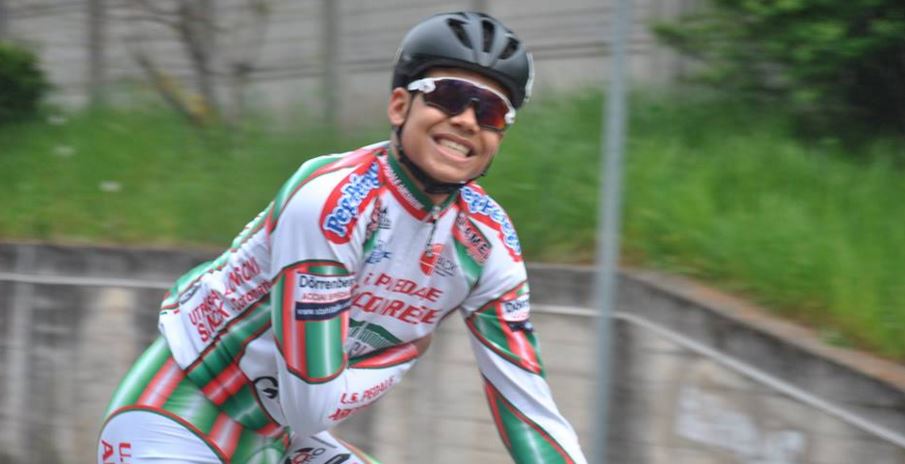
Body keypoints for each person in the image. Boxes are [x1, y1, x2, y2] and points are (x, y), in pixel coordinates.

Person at [98, 11, 588, 464]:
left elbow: (530, 412)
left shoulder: (488, 240)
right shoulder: (333, 203)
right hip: (181, 416)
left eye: (491, 112)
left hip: (279, 435)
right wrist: (404, 353)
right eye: (447, 96)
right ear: (399, 106)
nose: (466, 120)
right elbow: (311, 406)